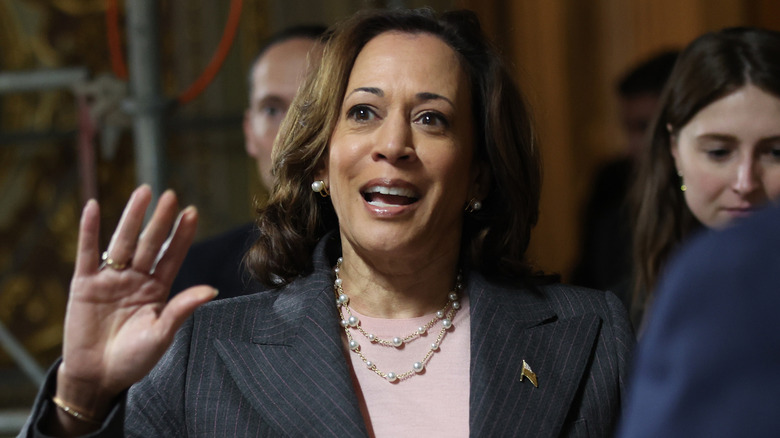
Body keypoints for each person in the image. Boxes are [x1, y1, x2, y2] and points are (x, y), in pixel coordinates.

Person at [19, 8, 633, 437]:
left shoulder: (591, 333)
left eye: (432, 119)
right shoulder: (207, 350)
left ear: (478, 173)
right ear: (321, 158)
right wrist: (80, 397)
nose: (392, 144)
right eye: (363, 112)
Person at [630, 26, 780, 330]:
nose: (745, 182)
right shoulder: (627, 309)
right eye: (719, 152)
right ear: (675, 148)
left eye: (776, 152)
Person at [171, 25, 327, 299]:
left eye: (312, 108)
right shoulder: (192, 277)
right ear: (249, 132)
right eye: (272, 110)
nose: (290, 134)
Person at [616, 203, 780, 438]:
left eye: (774, 162)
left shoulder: (735, 268)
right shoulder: (714, 270)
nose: (744, 182)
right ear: (678, 165)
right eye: (719, 162)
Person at [571, 50, 678, 306]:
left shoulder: (712, 192)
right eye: (627, 127)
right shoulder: (612, 182)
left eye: (643, 127)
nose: (630, 146)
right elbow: (587, 276)